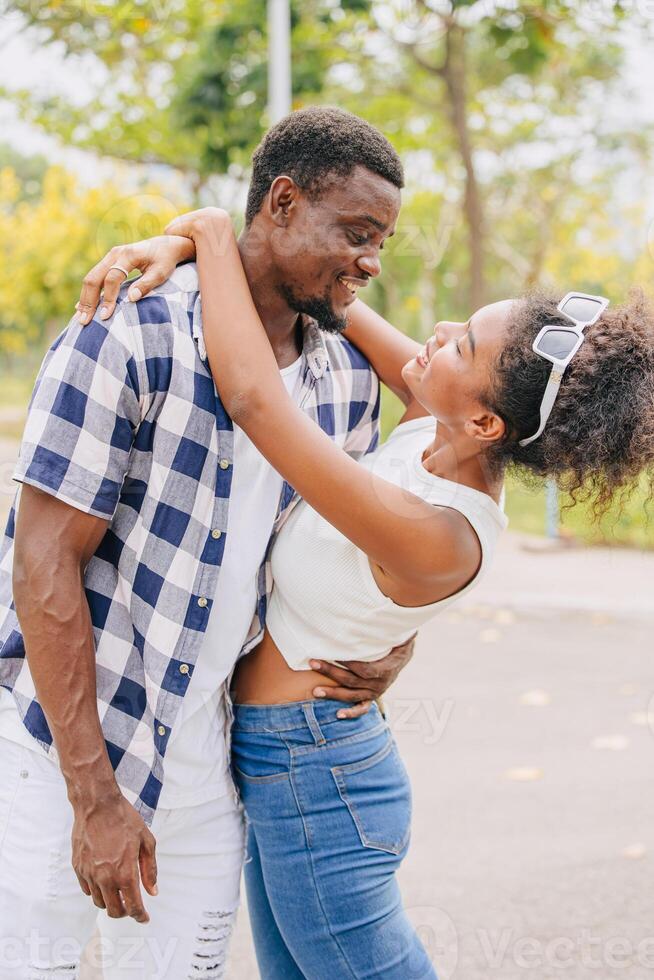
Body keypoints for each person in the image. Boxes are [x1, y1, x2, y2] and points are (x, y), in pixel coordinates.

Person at [106, 205, 654, 979]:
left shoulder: (441, 529)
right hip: (283, 761)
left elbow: (257, 401)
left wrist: (213, 231)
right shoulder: (435, 429)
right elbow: (338, 304)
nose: (438, 328)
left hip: (317, 776)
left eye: (463, 342)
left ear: (488, 421)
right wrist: (215, 248)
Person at [0, 107, 417, 980]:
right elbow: (43, 561)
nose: (370, 261)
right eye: (356, 233)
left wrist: (393, 644)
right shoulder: (131, 327)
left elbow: (352, 549)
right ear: (284, 202)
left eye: (382, 240)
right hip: (55, 762)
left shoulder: (343, 379)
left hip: (201, 776)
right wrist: (94, 798)